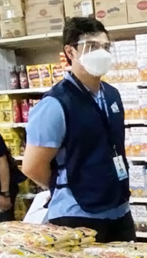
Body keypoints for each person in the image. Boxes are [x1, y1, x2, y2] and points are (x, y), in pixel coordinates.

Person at [22, 17, 134, 243]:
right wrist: (71, 183)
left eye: (105, 47)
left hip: (119, 208)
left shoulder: (112, 94)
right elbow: (33, 166)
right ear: (70, 52)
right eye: (91, 47)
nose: (101, 53)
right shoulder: (55, 104)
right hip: (77, 213)